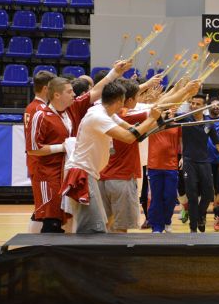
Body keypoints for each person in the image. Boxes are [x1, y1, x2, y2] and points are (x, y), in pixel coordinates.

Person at [28, 61, 132, 233]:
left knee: (68, 221)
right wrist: (63, 147)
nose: (74, 94)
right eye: (69, 92)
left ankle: (67, 258)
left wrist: (114, 72)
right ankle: (42, 256)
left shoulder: (73, 108)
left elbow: (96, 91)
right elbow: (33, 149)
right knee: (51, 219)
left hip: (72, 171)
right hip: (50, 173)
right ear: (56, 95)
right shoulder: (40, 115)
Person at [61, 80, 171, 233]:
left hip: (88, 173)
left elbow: (133, 131)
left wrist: (157, 121)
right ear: (119, 100)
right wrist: (152, 118)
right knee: (92, 228)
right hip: (82, 174)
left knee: (95, 225)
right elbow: (128, 137)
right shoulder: (99, 116)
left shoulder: (103, 111)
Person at [98, 78, 151, 233]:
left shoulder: (100, 111)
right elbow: (132, 135)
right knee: (121, 228)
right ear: (124, 99)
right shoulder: (128, 114)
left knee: (107, 224)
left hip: (103, 176)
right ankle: (117, 257)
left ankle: (106, 256)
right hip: (122, 176)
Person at [181, 94, 219, 233]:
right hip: (189, 162)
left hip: (204, 162)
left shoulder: (208, 123)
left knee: (208, 194)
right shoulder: (185, 119)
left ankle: (199, 215)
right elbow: (167, 120)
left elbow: (218, 144)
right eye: (192, 103)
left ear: (204, 107)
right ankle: (193, 228)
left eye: (197, 104)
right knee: (192, 196)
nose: (194, 106)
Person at [24, 70, 56, 233]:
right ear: (45, 89)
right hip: (40, 163)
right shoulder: (40, 109)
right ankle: (33, 243)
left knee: (42, 208)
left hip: (37, 163)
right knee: (42, 209)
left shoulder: (32, 106)